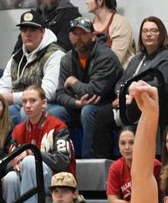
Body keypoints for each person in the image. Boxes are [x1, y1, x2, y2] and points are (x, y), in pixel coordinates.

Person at [92, 16, 168, 161]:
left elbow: (160, 86)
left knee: (137, 112)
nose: (149, 34)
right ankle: (109, 165)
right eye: (145, 31)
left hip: (164, 108)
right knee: (101, 116)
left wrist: (132, 94)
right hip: (132, 104)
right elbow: (121, 83)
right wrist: (121, 95)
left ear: (162, 34)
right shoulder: (136, 59)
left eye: (154, 31)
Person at [1, 84, 75, 203]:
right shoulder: (18, 130)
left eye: (32, 101)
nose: (27, 105)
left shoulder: (58, 127)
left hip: (57, 182)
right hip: (28, 181)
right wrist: (12, 163)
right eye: (25, 101)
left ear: (44, 104)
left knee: (29, 160)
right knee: (10, 178)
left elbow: (63, 161)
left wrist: (33, 154)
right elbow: (5, 162)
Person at [51, 17, 123, 159]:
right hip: (78, 104)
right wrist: (77, 103)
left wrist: (73, 81)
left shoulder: (105, 56)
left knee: (87, 111)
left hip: (106, 103)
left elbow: (93, 91)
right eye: (74, 34)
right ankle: (57, 160)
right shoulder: (67, 59)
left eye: (82, 33)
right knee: (54, 114)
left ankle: (88, 161)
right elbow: (59, 94)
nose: (78, 38)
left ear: (93, 35)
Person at [0, 9, 64, 125]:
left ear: (42, 32)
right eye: (24, 30)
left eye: (32, 29)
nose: (28, 34)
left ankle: (29, 144)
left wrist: (12, 98)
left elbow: (47, 93)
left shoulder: (55, 54)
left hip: (47, 104)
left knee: (26, 111)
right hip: (20, 103)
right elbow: (3, 86)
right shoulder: (16, 57)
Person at [86, 0, 135, 67]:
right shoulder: (90, 23)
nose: (86, 2)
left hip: (118, 75)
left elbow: (115, 60)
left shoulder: (120, 23)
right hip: (95, 72)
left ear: (100, 1)